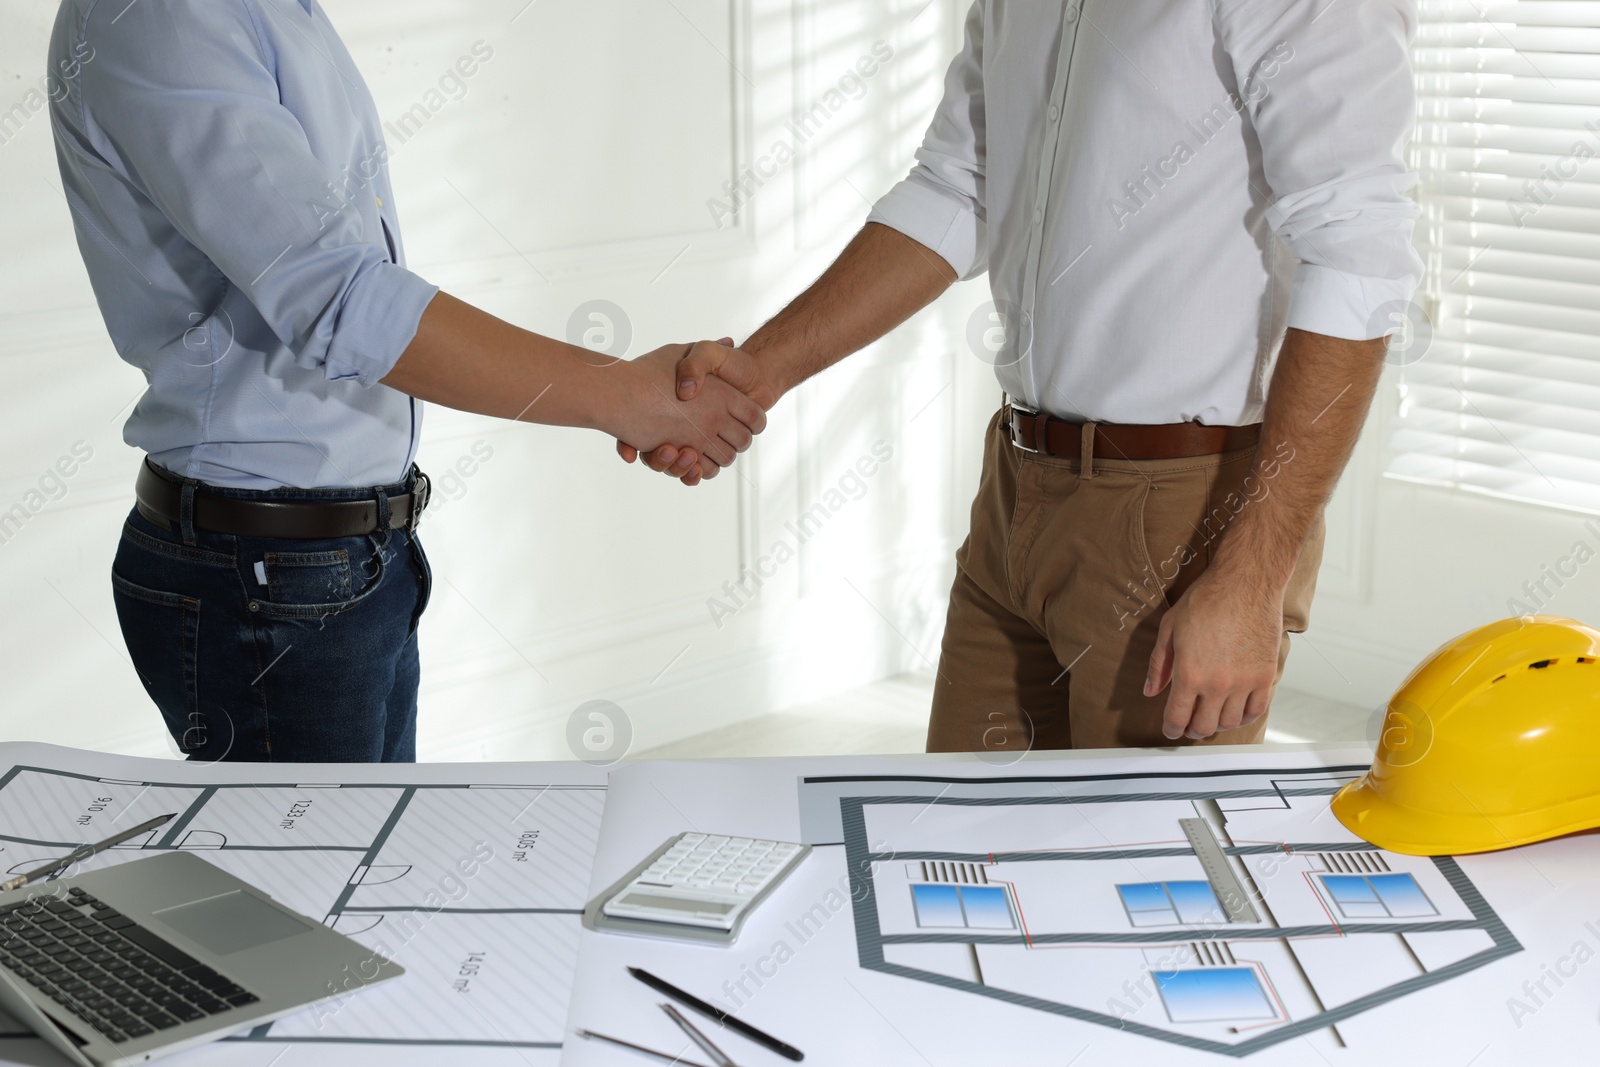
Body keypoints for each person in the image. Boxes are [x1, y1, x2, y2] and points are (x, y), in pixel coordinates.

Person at [625, 1, 1423, 752]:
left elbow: (1356, 255)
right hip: (1016, 492)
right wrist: (754, 373)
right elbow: (958, 187)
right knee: (958, 858)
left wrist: (1254, 577)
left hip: (1184, 516)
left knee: (1132, 874)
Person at [48, 0, 761, 763]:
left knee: (368, 872)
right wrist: (630, 396)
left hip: (345, 559)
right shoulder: (164, 14)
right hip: (265, 576)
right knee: (307, 881)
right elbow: (342, 299)